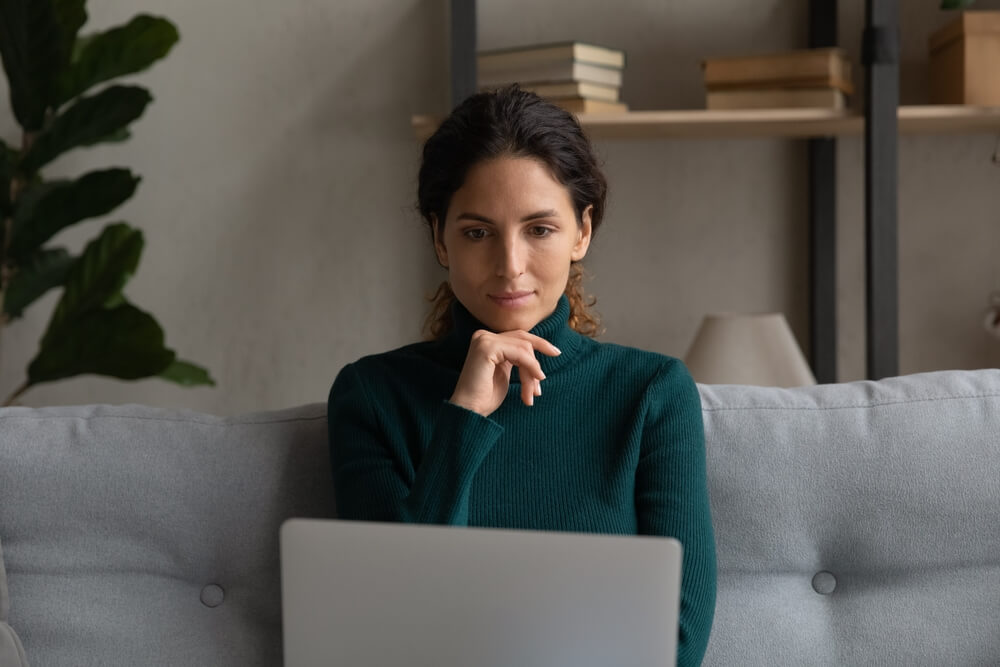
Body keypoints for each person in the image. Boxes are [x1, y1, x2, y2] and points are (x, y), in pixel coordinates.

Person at [327, 84, 716, 666]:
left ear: (582, 231)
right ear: (440, 238)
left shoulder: (652, 394)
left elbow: (677, 643)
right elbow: (393, 620)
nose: (510, 266)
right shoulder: (371, 396)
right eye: (477, 233)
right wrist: (461, 419)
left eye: (540, 229)